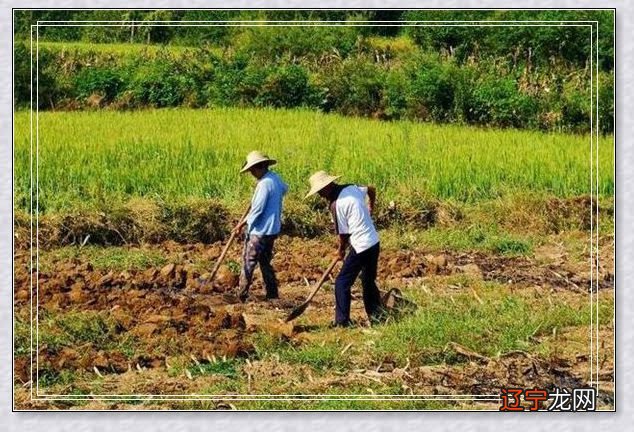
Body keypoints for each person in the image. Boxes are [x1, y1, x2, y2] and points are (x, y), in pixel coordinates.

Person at [305, 170, 385, 327]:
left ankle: (342, 322)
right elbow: (371, 189)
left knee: (342, 282)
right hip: (374, 241)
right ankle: (377, 317)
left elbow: (343, 235)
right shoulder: (352, 188)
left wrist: (340, 251)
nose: (320, 195)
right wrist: (371, 207)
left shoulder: (337, 204)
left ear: (328, 186)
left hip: (361, 245)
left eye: (321, 191)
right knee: (368, 281)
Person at [232, 151, 288, 303]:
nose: (251, 174)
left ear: (258, 168)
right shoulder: (274, 178)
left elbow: (257, 210)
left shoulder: (264, 184)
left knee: (248, 261)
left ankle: (241, 294)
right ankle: (272, 293)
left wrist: (241, 224)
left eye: (252, 171)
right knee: (265, 261)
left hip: (259, 230)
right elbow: (285, 189)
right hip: (273, 229)